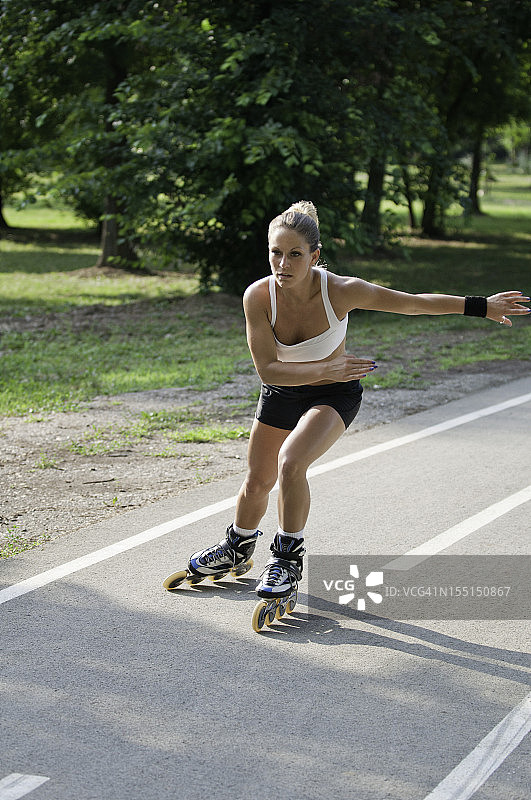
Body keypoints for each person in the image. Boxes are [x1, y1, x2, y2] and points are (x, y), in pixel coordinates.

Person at [180, 200, 530, 616]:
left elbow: (412, 303)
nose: (283, 263)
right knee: (257, 481)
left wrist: (480, 306)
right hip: (282, 390)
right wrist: (326, 363)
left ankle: (287, 560)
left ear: (315, 255)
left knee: (291, 463)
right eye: (276, 252)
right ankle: (238, 546)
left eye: (295, 254)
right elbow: (269, 371)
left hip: (333, 394)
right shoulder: (258, 296)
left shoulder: (342, 291)